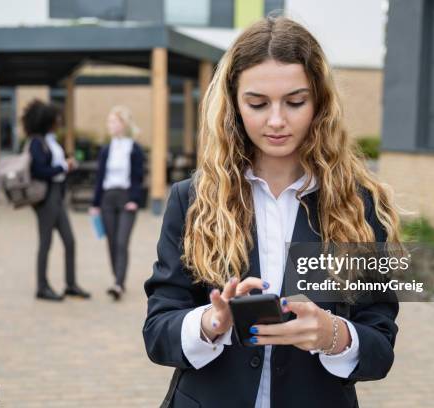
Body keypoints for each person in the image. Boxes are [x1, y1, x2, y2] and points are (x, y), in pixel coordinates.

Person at [143, 16, 402, 408]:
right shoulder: (191, 198)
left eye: (296, 102)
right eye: (258, 103)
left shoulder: (360, 206)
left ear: (319, 103)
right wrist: (211, 324)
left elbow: (380, 346)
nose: (277, 120)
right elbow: (157, 331)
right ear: (234, 104)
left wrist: (333, 334)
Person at [24, 99, 91, 301]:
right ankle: (41, 287)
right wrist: (63, 167)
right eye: (56, 118)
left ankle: (70, 284)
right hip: (45, 197)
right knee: (46, 242)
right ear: (46, 121)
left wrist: (65, 164)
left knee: (69, 241)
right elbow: (39, 171)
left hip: (57, 195)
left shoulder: (51, 140)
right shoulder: (37, 142)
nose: (59, 120)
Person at [90, 106, 144, 301]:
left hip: (126, 199)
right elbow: (100, 177)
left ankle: (118, 284)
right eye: (109, 122)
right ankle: (117, 279)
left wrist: (134, 199)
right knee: (111, 242)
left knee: (122, 242)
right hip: (107, 199)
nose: (110, 125)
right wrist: (95, 204)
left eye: (113, 121)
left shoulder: (134, 148)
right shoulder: (106, 149)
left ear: (123, 124)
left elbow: (138, 176)